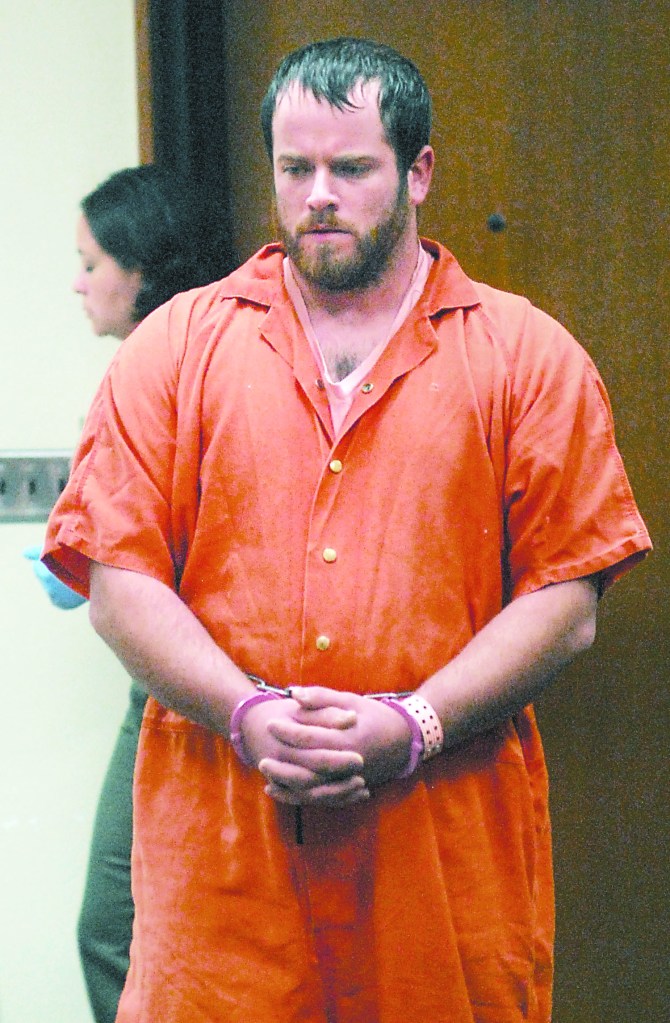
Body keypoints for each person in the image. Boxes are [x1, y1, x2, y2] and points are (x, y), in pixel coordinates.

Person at [44, 38, 651, 1023]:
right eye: (296, 169)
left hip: (439, 864)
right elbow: (117, 579)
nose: (319, 195)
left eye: (352, 168)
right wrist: (243, 712)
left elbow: (565, 598)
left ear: (418, 172)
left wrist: (416, 724)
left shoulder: (526, 356)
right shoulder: (176, 347)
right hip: (223, 870)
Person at [28, 164, 230, 1023]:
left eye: (91, 262)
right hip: (177, 681)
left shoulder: (168, 373)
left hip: (190, 683)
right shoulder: (182, 361)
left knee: (115, 927)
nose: (79, 284)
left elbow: (92, 573)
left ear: (140, 266)